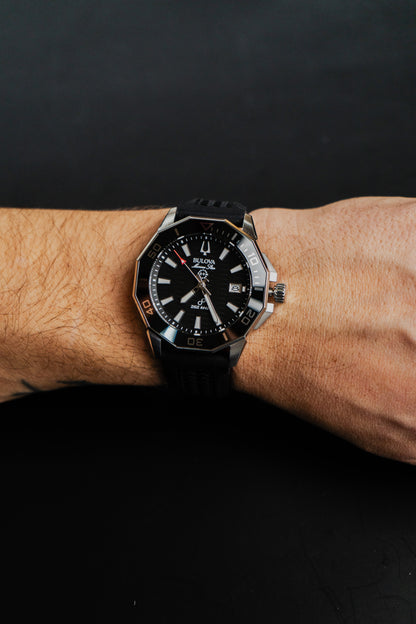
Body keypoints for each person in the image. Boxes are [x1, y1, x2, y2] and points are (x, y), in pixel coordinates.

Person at [0, 195, 415, 464]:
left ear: (272, 292)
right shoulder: (160, 273)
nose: (201, 286)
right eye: (198, 282)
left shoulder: (259, 292)